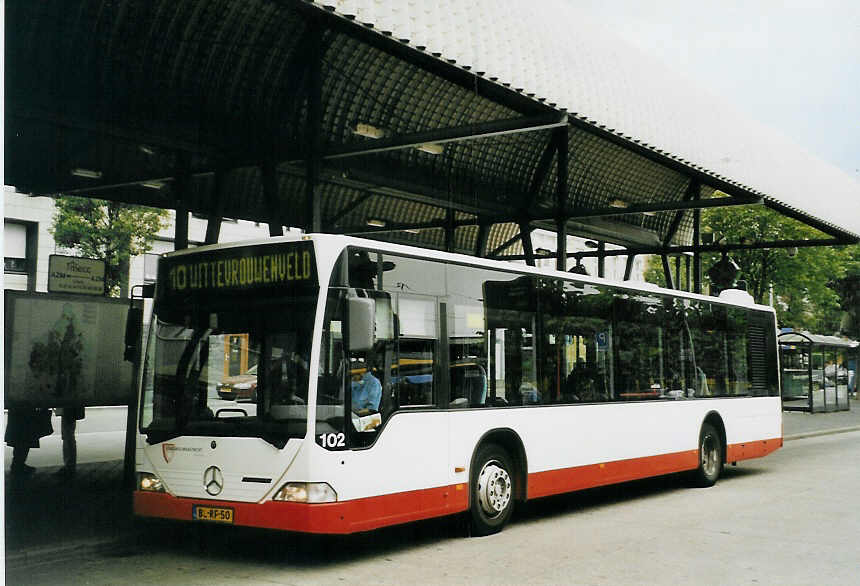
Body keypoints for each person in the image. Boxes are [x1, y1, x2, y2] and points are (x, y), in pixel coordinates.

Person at [5, 407, 52, 476]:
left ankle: (18, 465)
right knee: (25, 439)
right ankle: (18, 466)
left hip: (18, 411)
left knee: (20, 440)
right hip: (25, 411)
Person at [55, 405, 85, 477]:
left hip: (69, 409)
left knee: (68, 436)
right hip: (70, 408)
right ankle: (70, 465)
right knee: (68, 435)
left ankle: (69, 466)